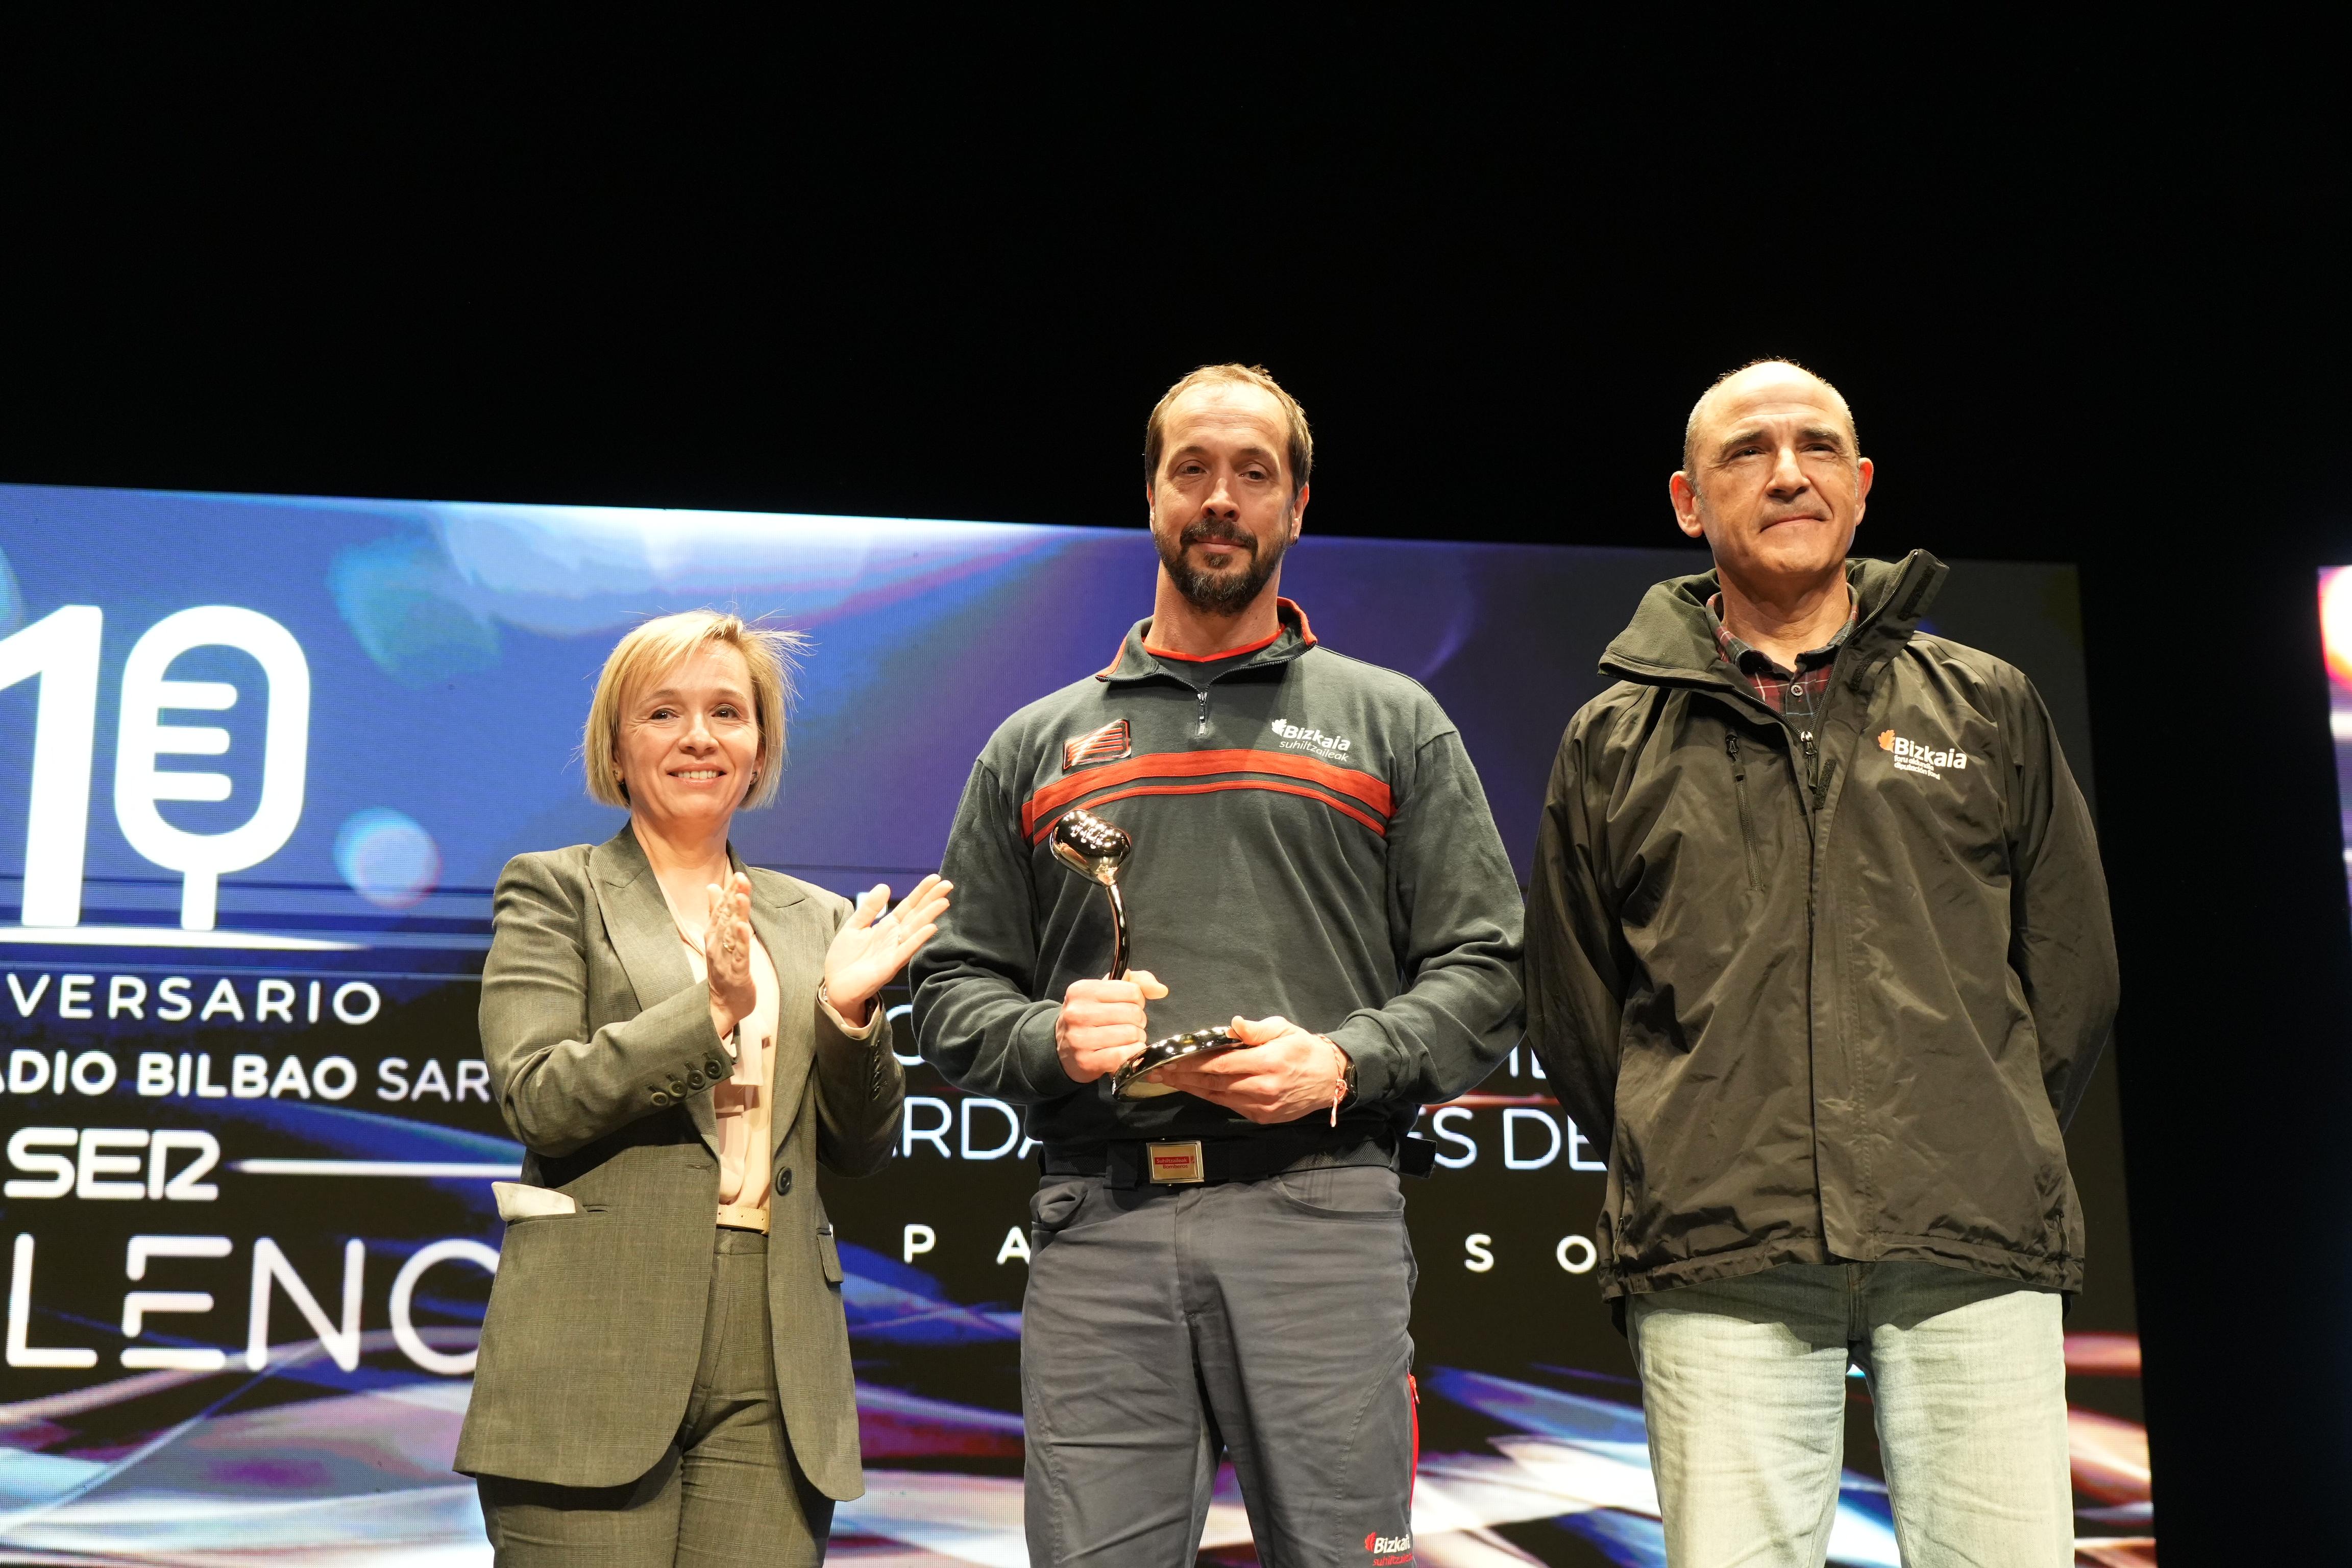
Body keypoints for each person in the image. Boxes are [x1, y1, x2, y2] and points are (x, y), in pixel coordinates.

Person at [912, 363, 1523, 1567]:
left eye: (1254, 473)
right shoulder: (1033, 746)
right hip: (1100, 1223)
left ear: (1298, 505)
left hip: (1321, 1214)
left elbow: (1488, 968)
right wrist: (1051, 1037)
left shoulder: (1393, 723)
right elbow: (951, 990)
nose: (1221, 499)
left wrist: (1343, 1061)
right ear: (1151, 495)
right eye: (1191, 469)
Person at [1524, 359, 2117, 1566]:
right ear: (1689, 501)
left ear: (1861, 485)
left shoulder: (1987, 704)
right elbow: (1577, 1010)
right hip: (1719, 1247)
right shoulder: (1611, 738)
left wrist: (1973, 1125)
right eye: (1747, 452)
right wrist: (1690, 1143)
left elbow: (2071, 972)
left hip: (1969, 1238)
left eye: (1818, 448)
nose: (1788, 473)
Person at [455, 610, 950, 1567]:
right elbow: (539, 1096)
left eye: (728, 712)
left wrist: (849, 1016)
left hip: (777, 1344)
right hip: (595, 1337)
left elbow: (862, 1147)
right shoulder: (556, 891)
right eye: (663, 713)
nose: (699, 737)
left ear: (759, 747)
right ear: (616, 746)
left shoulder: (818, 920)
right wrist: (711, 1010)